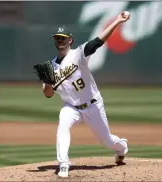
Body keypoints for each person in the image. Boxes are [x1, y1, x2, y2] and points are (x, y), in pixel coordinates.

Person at [42, 12, 130, 178]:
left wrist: (117, 21)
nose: (60, 41)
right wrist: (47, 82)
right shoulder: (50, 67)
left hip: (92, 105)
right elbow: (48, 94)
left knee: (107, 141)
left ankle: (122, 147)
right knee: (63, 124)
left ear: (70, 40)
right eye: (57, 38)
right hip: (71, 107)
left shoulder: (79, 54)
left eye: (63, 38)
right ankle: (64, 164)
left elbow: (98, 41)